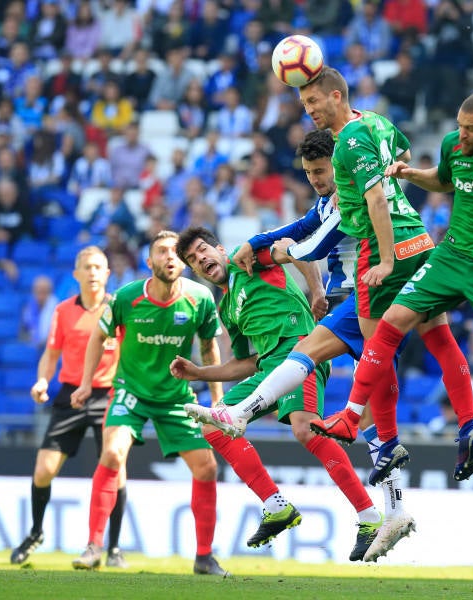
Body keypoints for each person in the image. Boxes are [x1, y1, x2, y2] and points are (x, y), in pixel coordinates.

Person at [316, 91, 473, 509]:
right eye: (459, 126)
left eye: (470, 130)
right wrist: (411, 175)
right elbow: (446, 179)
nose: (461, 135)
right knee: (393, 318)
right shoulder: (454, 145)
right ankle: (351, 412)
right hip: (452, 255)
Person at [183, 129, 415, 561]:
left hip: (306, 342)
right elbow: (245, 361)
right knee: (212, 426)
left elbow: (295, 248)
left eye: (204, 251)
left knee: (311, 427)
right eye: (195, 262)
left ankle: (370, 514)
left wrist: (314, 290)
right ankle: (276, 504)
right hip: (272, 364)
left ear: (218, 246)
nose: (204, 261)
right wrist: (200, 374)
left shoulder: (245, 260)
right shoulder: (229, 306)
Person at [280, 67, 473, 491]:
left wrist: (386, 260)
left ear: (336, 96)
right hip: (420, 239)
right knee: (440, 339)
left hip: (381, 249)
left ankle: (387, 440)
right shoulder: (375, 121)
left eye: (313, 102)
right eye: (305, 106)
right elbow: (403, 158)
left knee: (378, 350)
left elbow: (375, 198)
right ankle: (468, 425)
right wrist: (366, 180)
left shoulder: (347, 145)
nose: (310, 111)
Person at [68, 232, 227, 576]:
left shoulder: (200, 298)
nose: (170, 257)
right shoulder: (127, 297)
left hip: (176, 398)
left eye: (175, 252)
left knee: (207, 468)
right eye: (162, 252)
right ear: (149, 261)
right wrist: (85, 383)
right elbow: (99, 335)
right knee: (112, 454)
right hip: (131, 393)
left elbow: (209, 350)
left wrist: (216, 403)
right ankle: (94, 546)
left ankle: (203, 557)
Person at [10, 247, 128, 567]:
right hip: (71, 393)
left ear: (107, 274)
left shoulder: (120, 308)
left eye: (98, 267)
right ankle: (36, 532)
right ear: (76, 274)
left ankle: (114, 547)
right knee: (44, 470)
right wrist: (43, 382)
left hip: (110, 394)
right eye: (86, 267)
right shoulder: (63, 311)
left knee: (115, 465)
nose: (92, 272)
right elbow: (51, 355)